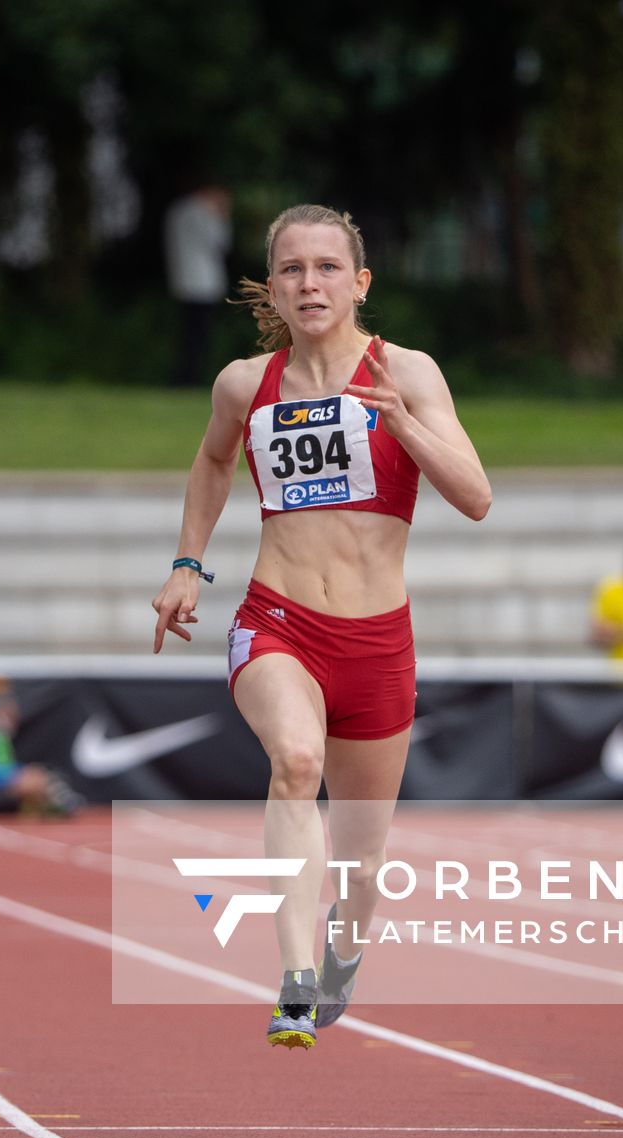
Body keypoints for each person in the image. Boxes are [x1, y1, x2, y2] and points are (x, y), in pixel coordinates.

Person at [151, 204, 491, 1050]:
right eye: (293, 269)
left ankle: (344, 944)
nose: (311, 284)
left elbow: (477, 496)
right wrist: (188, 563)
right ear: (272, 287)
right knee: (296, 763)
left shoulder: (406, 371)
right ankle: (295, 978)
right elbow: (213, 460)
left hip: (377, 643)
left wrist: (403, 422)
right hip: (280, 622)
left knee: (362, 865)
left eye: (328, 267)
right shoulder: (244, 385)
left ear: (360, 282)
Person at [0, 679, 83, 818]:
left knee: (41, 775)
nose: (11, 720)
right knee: (31, 785)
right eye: (8, 713)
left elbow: (6, 765)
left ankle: (53, 805)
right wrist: (20, 779)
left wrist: (25, 772)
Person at [163, 182, 233, 386]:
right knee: (200, 335)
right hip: (204, 283)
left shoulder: (177, 210)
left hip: (182, 279)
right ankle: (191, 378)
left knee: (187, 333)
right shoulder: (205, 213)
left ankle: (184, 376)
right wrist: (223, 215)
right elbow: (221, 242)